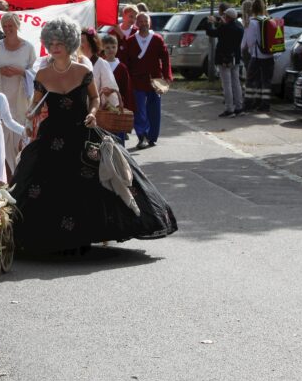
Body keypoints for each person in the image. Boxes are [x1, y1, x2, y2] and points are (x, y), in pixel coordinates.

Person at [10, 17, 177, 254]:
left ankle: (86, 234)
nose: (55, 47)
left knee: (93, 180)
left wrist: (92, 112)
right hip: (53, 136)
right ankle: (48, 235)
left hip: (81, 131)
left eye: (59, 42)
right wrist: (29, 117)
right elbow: (35, 104)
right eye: (51, 43)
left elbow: (95, 97)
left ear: (69, 43)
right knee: (43, 183)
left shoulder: (83, 69)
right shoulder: (43, 75)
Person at [0, 12, 36, 176]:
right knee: (2, 139)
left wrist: (21, 72)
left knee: (19, 138)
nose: (8, 29)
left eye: (11, 26)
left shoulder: (29, 47)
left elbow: (34, 73)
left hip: (21, 97)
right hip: (1, 94)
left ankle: (20, 175)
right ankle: (5, 177)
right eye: (5, 26)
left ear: (17, 26)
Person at [123, 12, 172, 149]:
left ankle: (152, 136)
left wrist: (167, 76)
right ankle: (142, 136)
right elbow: (126, 62)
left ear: (149, 23)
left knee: (154, 109)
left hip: (155, 80)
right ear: (136, 24)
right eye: (141, 21)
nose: (143, 24)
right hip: (137, 80)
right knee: (139, 109)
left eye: (146, 21)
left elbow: (165, 58)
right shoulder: (131, 41)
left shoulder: (157, 39)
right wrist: (127, 79)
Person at [207, 8, 245, 117]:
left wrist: (210, 23)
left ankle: (229, 109)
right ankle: (239, 107)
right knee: (236, 83)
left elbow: (212, 33)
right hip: (235, 58)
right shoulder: (239, 26)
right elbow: (227, 27)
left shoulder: (225, 27)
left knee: (226, 84)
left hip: (224, 58)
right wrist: (222, 23)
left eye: (224, 16)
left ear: (227, 17)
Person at [100, 33, 135, 143]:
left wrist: (126, 106)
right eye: (107, 47)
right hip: (102, 106)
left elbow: (127, 89)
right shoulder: (100, 64)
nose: (111, 50)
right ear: (102, 48)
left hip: (117, 107)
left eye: (113, 47)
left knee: (118, 137)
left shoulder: (121, 68)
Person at [241, 0, 274, 113]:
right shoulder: (269, 20)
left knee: (250, 80)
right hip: (269, 56)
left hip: (257, 56)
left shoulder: (253, 22)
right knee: (266, 81)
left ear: (252, 9)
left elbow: (249, 41)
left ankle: (248, 104)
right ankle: (265, 105)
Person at [80, 27, 120, 110]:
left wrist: (107, 93)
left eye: (82, 41)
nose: (79, 44)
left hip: (95, 111)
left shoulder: (102, 64)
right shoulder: (77, 62)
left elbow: (111, 90)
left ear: (91, 43)